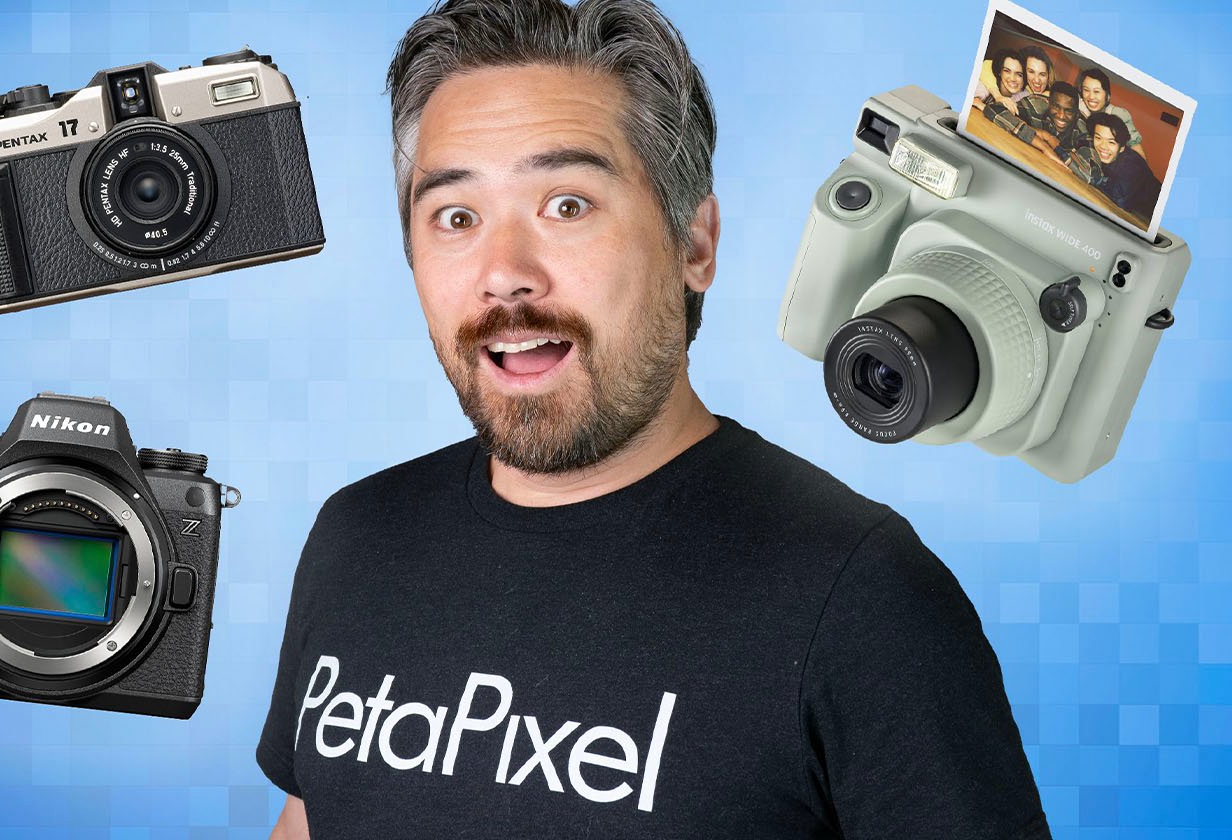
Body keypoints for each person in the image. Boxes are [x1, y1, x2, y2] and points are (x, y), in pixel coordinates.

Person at [257, 1, 1052, 837]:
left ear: (694, 245)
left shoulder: (862, 598)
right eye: (456, 217)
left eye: (567, 205)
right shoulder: (357, 536)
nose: (505, 276)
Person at [1086, 111, 1160, 220]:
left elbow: (1119, 201)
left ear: (1122, 148)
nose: (1102, 146)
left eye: (1111, 142)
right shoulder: (1107, 156)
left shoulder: (1132, 166)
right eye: (1098, 138)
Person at [1077, 67, 1146, 159]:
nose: (1091, 96)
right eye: (1086, 90)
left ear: (1108, 96)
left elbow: (1136, 148)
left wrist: (1142, 170)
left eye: (1097, 91)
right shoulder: (1078, 106)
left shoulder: (1118, 114)